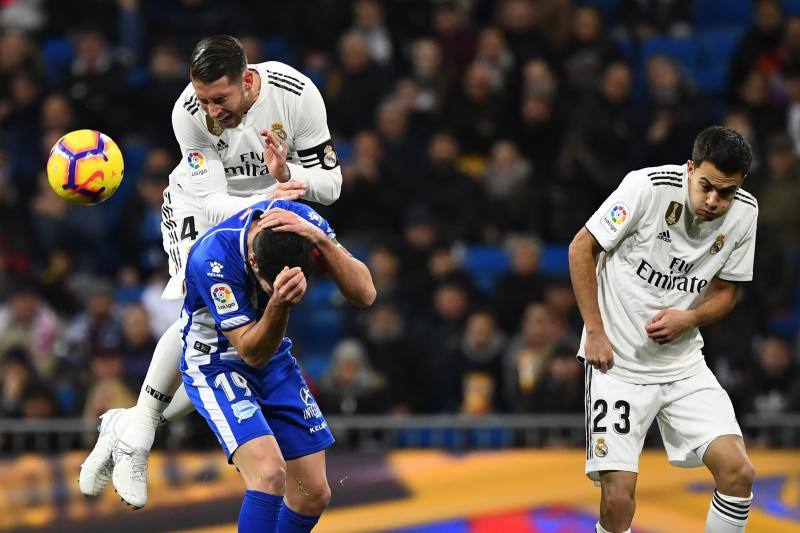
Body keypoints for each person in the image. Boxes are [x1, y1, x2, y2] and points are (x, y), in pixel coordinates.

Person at [79, 35, 343, 509]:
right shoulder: (189, 111)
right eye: (202, 99)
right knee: (198, 313)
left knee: (225, 352)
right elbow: (213, 201)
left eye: (220, 100)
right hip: (203, 207)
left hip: (270, 208)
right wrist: (268, 198)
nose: (211, 111)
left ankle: (130, 422)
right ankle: (137, 435)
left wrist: (285, 178)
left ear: (246, 81)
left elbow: (332, 185)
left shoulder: (296, 93)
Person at [568, 126, 757, 533]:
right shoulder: (646, 189)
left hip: (683, 366)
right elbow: (581, 247)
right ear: (690, 169)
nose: (713, 201)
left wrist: (689, 318)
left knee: (738, 473)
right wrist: (595, 332)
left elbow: (726, 292)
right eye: (706, 185)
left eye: (725, 193)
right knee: (617, 502)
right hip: (617, 369)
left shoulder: (745, 213)